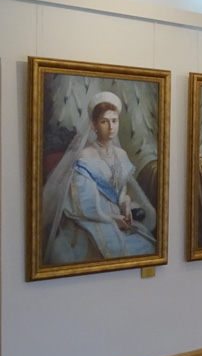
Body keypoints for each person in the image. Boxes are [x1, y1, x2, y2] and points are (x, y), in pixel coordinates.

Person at [41, 91, 157, 264]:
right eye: (104, 121)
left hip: (119, 218)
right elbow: (82, 201)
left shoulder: (121, 154)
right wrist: (111, 219)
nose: (111, 127)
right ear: (95, 124)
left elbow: (122, 189)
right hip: (92, 219)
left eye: (114, 121)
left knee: (146, 247)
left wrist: (125, 205)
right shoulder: (85, 155)